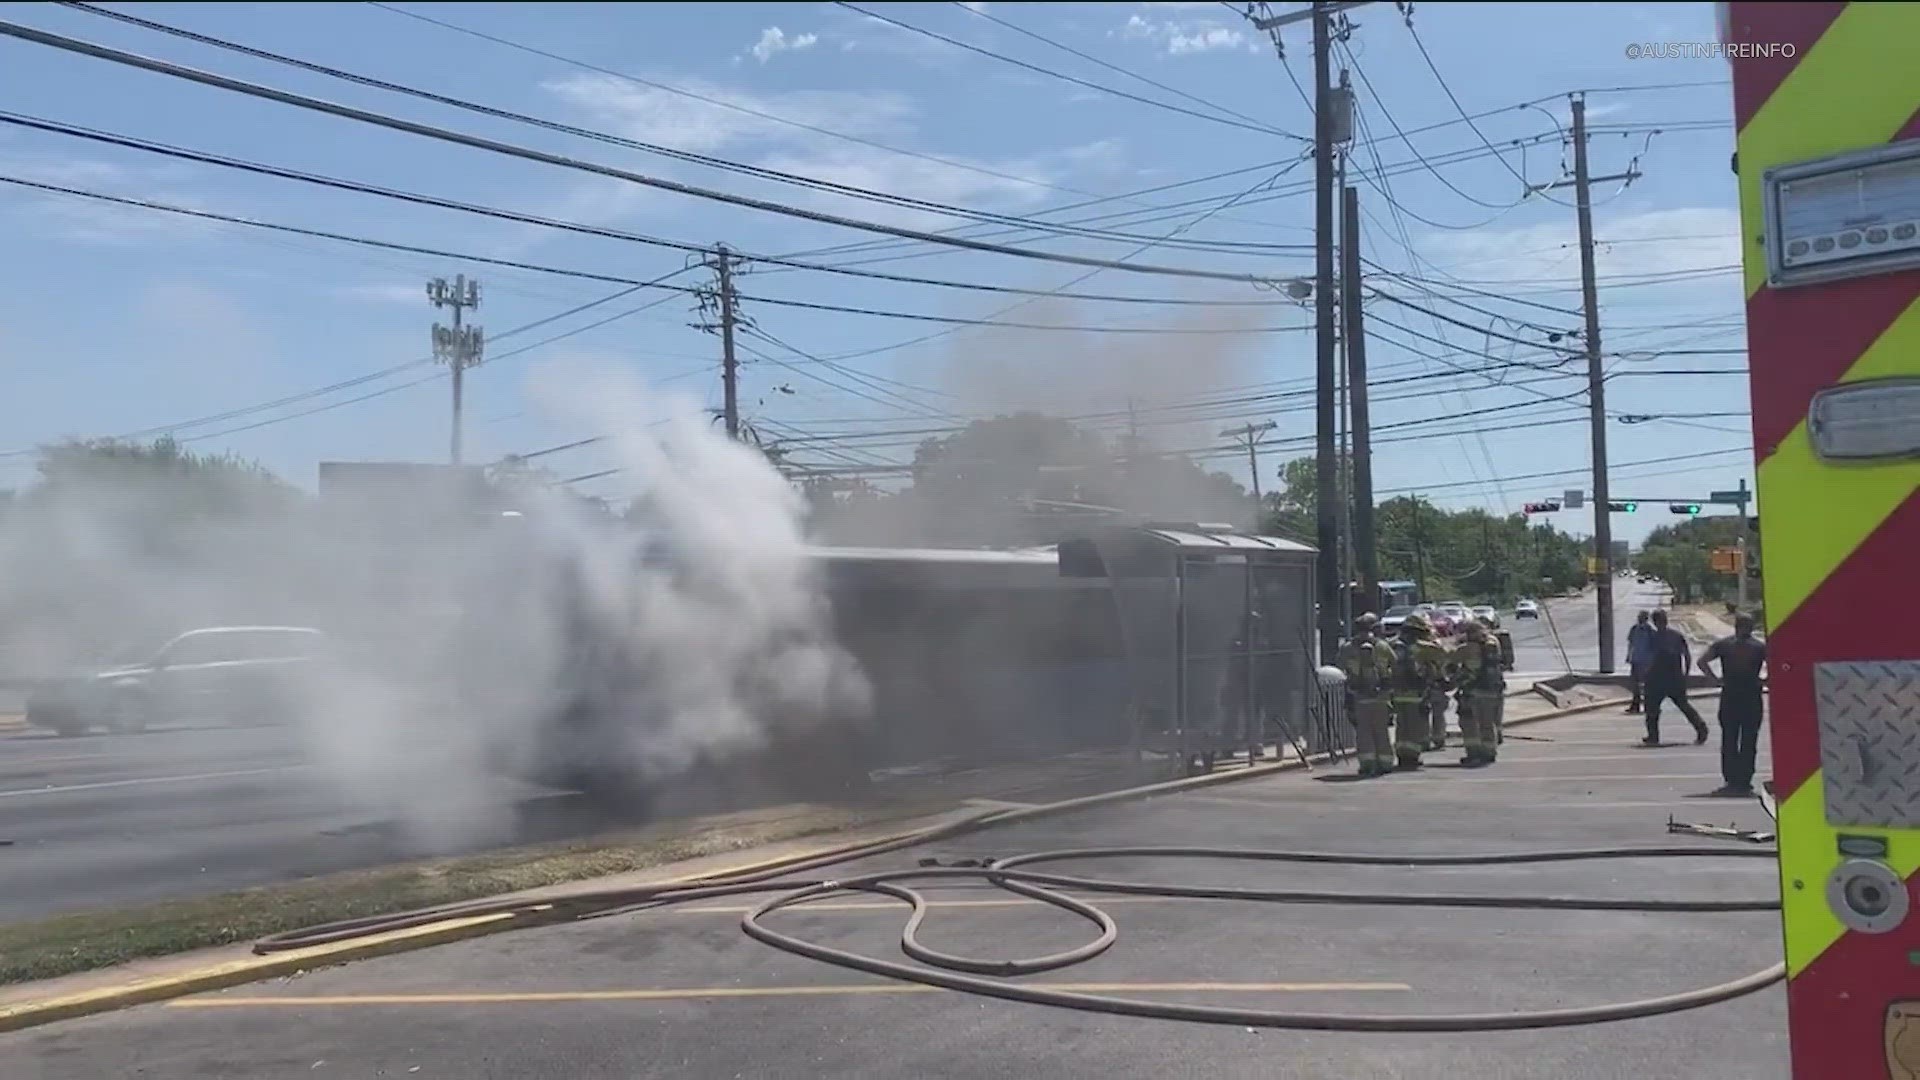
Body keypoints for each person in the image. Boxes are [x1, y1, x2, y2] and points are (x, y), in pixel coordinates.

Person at [1698, 612, 1768, 796]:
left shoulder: (1724, 645)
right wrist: (1765, 680)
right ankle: (1744, 780)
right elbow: (1777, 665)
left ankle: (1731, 780)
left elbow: (1702, 661)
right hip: (1751, 696)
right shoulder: (1759, 647)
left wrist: (1715, 680)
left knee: (1729, 739)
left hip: (1730, 695)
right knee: (1748, 740)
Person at [1338, 612, 1397, 778]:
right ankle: (1385, 763)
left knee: (1364, 732)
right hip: (1381, 697)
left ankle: (1367, 764)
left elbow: (1340, 669)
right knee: (1381, 730)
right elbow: (1395, 665)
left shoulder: (1348, 648)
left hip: (1359, 697)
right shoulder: (1383, 646)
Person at [1643, 609, 1709, 746]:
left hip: (1662, 677)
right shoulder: (1673, 636)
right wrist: (1686, 673)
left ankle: (1701, 729)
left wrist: (1645, 674)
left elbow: (1649, 657)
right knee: (1657, 707)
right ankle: (1700, 728)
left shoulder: (1655, 637)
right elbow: (1686, 655)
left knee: (1658, 707)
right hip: (1668, 677)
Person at [1389, 613, 1445, 771]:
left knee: (1402, 725)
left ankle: (1402, 756)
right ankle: (1411, 758)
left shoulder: (1392, 644)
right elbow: (1440, 660)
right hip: (1416, 692)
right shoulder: (1423, 647)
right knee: (1415, 726)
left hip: (1398, 692)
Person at [1451, 618, 1506, 766]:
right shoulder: (1494, 643)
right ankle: (1489, 752)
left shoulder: (1466, 649)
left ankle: (1474, 753)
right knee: (1488, 723)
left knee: (1468, 724)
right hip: (1494, 690)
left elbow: (1449, 661)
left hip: (1473, 692)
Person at [1625, 611, 1654, 714]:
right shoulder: (1634, 629)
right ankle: (1635, 705)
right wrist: (1629, 656)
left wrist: (1652, 661)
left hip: (1646, 661)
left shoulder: (1650, 631)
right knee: (1635, 684)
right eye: (1639, 617)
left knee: (1646, 684)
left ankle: (1648, 705)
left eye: (1642, 617)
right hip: (1636, 660)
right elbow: (1631, 643)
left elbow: (1653, 647)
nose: (1640, 619)